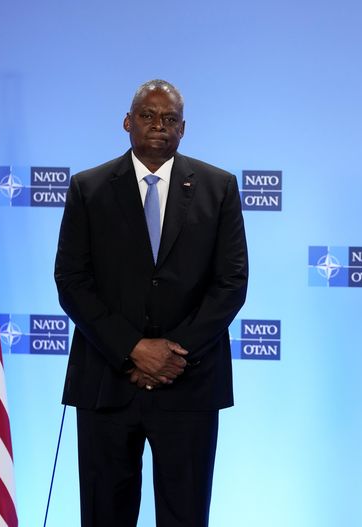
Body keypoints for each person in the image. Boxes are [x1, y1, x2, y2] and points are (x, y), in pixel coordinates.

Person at [54, 79, 248, 526]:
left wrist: (172, 353)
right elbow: (71, 281)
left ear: (184, 129)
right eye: (148, 115)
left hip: (190, 383)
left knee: (185, 515)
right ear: (128, 122)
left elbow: (231, 283)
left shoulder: (218, 187)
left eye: (170, 119)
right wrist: (133, 349)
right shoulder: (89, 187)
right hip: (106, 381)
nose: (158, 125)